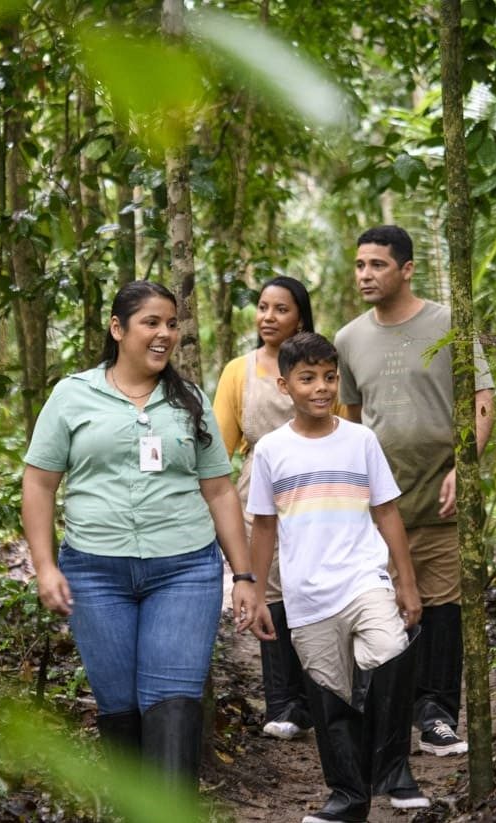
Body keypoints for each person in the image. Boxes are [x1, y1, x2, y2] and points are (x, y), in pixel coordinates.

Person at [21, 280, 262, 789]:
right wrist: (45, 566)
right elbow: (40, 484)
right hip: (94, 571)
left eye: (172, 324)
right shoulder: (73, 394)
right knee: (121, 708)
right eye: (151, 322)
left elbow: (219, 491)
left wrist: (243, 575)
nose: (165, 334)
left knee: (171, 700)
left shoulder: (189, 399)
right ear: (117, 328)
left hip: (183, 570)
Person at [248, 332, 429, 821]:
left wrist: (405, 582)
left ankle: (393, 770)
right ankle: (348, 797)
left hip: (364, 578)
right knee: (329, 696)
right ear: (285, 385)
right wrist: (258, 591)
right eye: (308, 379)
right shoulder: (270, 450)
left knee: (391, 651)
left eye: (329, 377)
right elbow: (264, 526)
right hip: (306, 594)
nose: (322, 388)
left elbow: (388, 512)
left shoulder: (361, 439)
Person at [334, 225, 495, 758]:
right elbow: (351, 421)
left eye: (377, 265)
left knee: (444, 607)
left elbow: (482, 398)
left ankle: (437, 715)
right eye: (360, 265)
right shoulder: (349, 338)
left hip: (442, 497)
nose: (365, 275)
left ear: (406, 269)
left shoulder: (448, 322)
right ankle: (381, 717)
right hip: (378, 508)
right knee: (380, 606)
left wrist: (463, 466)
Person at [214, 276, 338, 740]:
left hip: (319, 490)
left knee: (315, 587)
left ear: (300, 317)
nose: (268, 317)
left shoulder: (322, 367)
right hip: (259, 492)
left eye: (280, 309)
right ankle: (283, 702)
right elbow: (221, 445)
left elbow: (339, 425)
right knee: (269, 591)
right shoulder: (238, 371)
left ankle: (322, 696)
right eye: (263, 307)